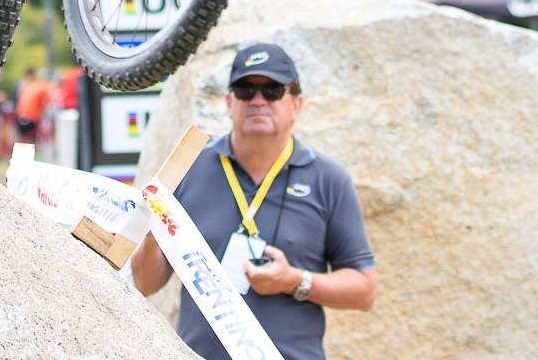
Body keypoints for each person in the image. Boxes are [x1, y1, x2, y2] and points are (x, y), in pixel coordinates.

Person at [132, 43, 376, 359]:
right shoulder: (188, 169)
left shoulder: (328, 178)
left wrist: (294, 281)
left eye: (272, 90)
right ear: (229, 102)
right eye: (246, 90)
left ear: (296, 104)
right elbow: (145, 283)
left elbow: (364, 290)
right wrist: (156, 222)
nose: (258, 101)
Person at [13, 67, 53, 143]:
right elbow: (48, 104)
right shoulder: (44, 87)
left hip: (20, 114)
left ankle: (21, 154)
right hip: (31, 116)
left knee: (22, 140)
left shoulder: (32, 85)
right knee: (30, 141)